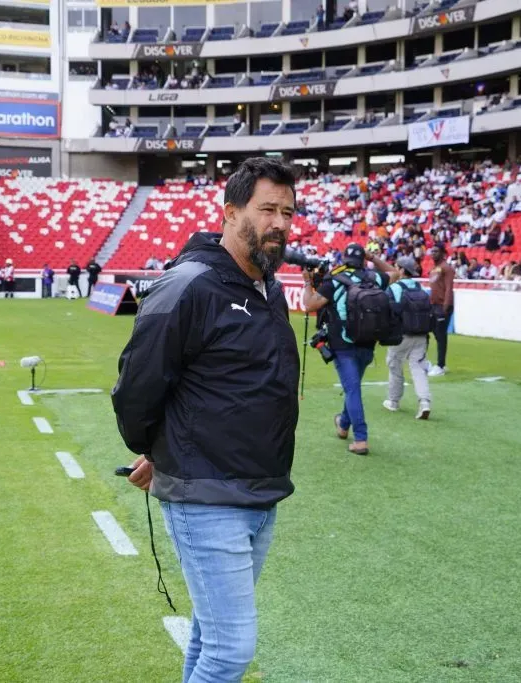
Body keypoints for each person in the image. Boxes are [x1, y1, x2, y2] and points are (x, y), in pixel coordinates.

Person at [112, 157, 300, 683]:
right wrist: (158, 450)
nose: (279, 223)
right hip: (207, 491)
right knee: (231, 651)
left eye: (288, 212)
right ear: (230, 211)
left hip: (261, 490)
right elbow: (137, 386)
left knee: (208, 638)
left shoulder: (270, 289)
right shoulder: (189, 285)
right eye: (267, 209)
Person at [301, 241, 394, 455]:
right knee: (353, 386)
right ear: (363, 260)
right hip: (368, 343)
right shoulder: (374, 278)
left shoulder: (334, 279)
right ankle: (343, 424)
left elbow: (310, 305)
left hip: (343, 344)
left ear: (344, 259)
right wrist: (373, 258)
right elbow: (394, 272)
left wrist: (307, 283)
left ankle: (361, 439)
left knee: (352, 389)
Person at [383, 256, 432, 419]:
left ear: (402, 270)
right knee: (418, 368)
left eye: (396, 266)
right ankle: (424, 402)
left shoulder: (395, 288)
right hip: (421, 335)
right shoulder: (420, 287)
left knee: (394, 365)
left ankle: (394, 401)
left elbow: (387, 309)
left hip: (401, 335)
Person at [426, 244, 454, 377]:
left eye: (436, 251)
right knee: (433, 332)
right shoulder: (434, 269)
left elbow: (449, 287)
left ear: (443, 253)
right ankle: (433, 363)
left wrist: (446, 306)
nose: (433, 253)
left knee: (441, 335)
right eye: (432, 251)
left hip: (442, 305)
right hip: (433, 305)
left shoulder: (446, 268)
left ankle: (440, 366)